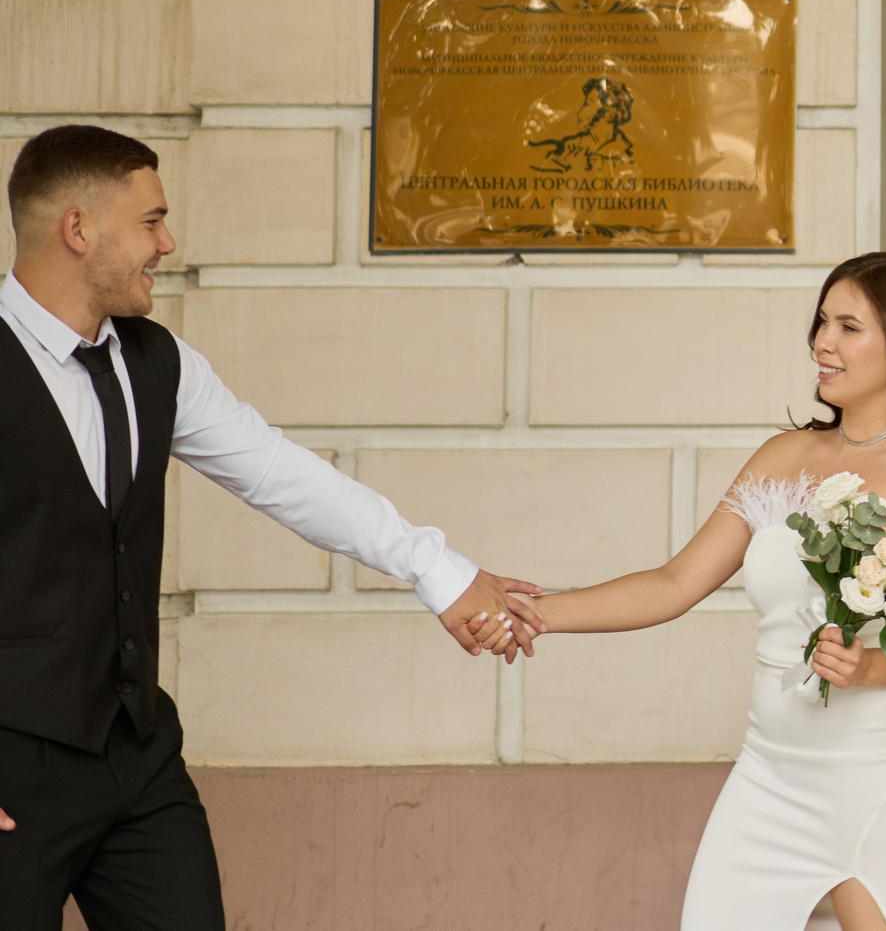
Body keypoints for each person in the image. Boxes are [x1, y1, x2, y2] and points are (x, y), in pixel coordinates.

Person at [0, 125, 536, 931]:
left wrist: (440, 569)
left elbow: (283, 474)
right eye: (151, 221)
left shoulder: (160, 361)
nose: (168, 243)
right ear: (77, 228)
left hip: (136, 752)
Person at [501, 251, 886, 931]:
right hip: (769, 772)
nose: (822, 341)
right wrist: (538, 613)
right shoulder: (781, 456)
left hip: (875, 773)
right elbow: (676, 582)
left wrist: (876, 665)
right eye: (822, 321)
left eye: (849, 326)